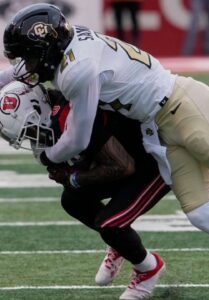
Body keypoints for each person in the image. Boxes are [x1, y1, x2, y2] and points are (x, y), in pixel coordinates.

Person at [2, 3, 209, 299]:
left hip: (182, 106)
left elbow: (78, 139)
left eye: (29, 55)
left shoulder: (76, 70)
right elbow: (14, 74)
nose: (26, 64)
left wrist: (48, 157)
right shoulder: (66, 45)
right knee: (200, 211)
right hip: (159, 124)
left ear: (47, 46)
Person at [0, 81, 170, 299]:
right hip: (127, 162)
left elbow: (122, 166)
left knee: (110, 225)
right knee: (72, 200)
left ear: (37, 107)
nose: (31, 138)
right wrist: (68, 177)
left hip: (154, 162)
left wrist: (74, 178)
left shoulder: (71, 114)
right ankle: (121, 245)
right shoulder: (52, 117)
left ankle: (148, 268)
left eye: (30, 130)